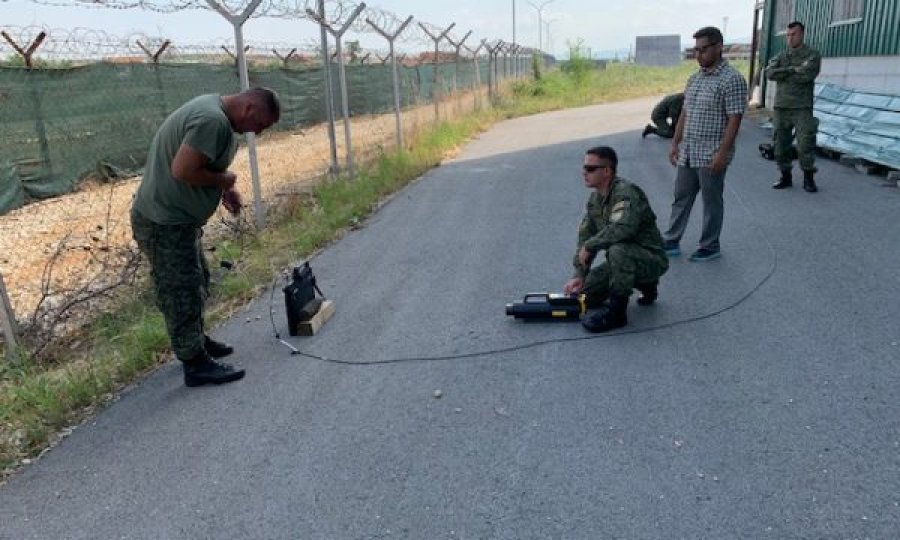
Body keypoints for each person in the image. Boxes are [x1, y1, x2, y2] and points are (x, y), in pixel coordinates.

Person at [130, 88, 281, 387]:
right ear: (249, 108)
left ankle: (194, 340)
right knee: (181, 289)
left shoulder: (216, 113)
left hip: (176, 219)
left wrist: (226, 189)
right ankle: (195, 364)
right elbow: (183, 169)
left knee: (197, 278)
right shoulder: (212, 120)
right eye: (260, 125)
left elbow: (204, 163)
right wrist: (224, 180)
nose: (258, 133)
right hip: (164, 221)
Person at [662, 26, 748, 262]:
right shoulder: (694, 80)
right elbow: (685, 114)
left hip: (711, 154)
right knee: (681, 197)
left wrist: (723, 153)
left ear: (719, 47)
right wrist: (675, 143)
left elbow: (735, 119)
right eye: (695, 50)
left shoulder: (732, 80)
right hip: (688, 152)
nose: (698, 55)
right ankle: (671, 240)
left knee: (711, 201)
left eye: (704, 49)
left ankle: (710, 246)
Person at [563, 146, 669, 333]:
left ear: (606, 171)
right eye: (584, 168)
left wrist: (591, 245)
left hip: (651, 259)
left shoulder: (625, 192)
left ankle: (617, 314)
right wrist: (579, 275)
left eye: (590, 169)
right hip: (623, 261)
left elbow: (623, 228)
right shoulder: (595, 201)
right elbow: (585, 238)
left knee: (617, 250)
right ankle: (644, 285)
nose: (584, 173)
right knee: (587, 295)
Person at [765, 21, 821, 192]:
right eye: (788, 35)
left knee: (806, 144)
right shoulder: (781, 55)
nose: (790, 38)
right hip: (782, 107)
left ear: (802, 34)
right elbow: (769, 73)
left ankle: (808, 178)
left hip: (802, 107)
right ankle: (785, 176)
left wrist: (784, 72)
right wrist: (793, 69)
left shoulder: (812, 55)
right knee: (780, 145)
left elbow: (807, 75)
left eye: (793, 34)